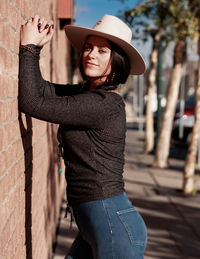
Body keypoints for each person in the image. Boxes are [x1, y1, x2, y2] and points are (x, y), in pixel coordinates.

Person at [19, 14, 147, 259]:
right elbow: (42, 91)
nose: (91, 54)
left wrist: (28, 48)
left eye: (102, 50)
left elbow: (32, 103)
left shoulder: (106, 104)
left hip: (112, 226)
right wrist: (35, 49)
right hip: (97, 225)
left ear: (117, 60)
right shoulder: (84, 94)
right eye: (89, 47)